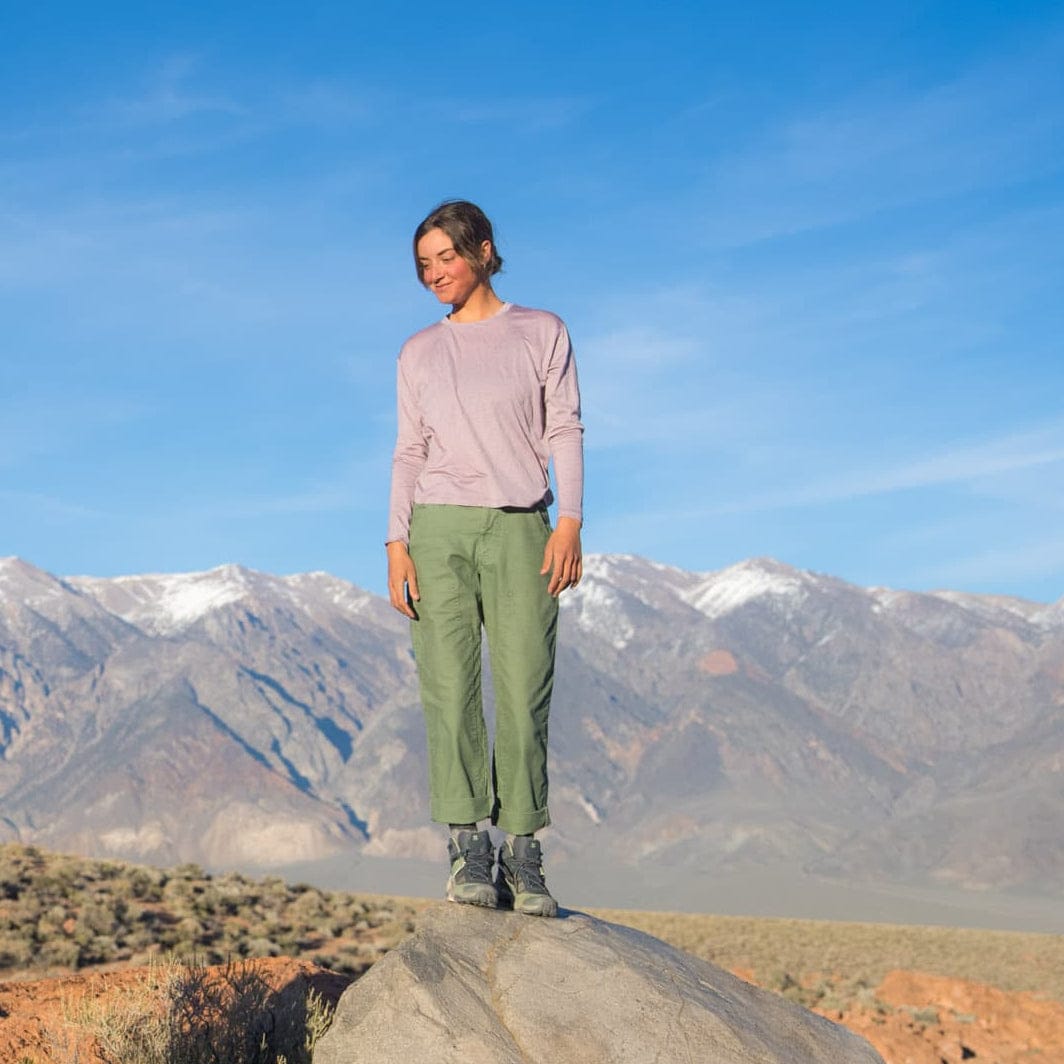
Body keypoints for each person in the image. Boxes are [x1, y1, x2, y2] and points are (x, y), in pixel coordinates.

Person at [386, 200, 584, 918]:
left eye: (446, 257)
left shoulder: (541, 331)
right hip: (436, 531)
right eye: (424, 265)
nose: (436, 273)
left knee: (526, 687)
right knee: (448, 687)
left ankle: (524, 852)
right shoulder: (418, 351)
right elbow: (410, 449)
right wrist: (395, 542)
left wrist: (570, 521)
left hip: (522, 526)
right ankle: (468, 845)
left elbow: (563, 425)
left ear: (484, 251)